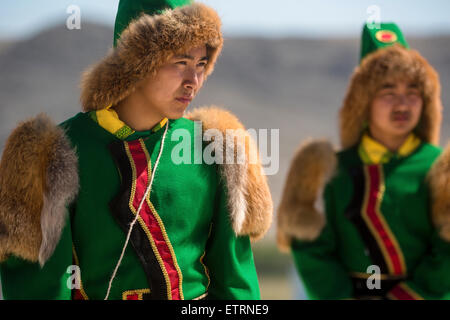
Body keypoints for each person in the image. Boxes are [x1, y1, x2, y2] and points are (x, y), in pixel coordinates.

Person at [0, 0, 273, 300]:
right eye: (180, 62)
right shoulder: (50, 154)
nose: (193, 81)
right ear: (137, 61)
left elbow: (237, 286)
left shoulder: (217, 148)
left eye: (201, 64)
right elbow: (40, 290)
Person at [277, 22, 450, 300]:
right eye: (388, 92)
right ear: (363, 101)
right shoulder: (329, 171)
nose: (402, 104)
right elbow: (312, 250)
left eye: (413, 92)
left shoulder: (441, 168)